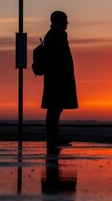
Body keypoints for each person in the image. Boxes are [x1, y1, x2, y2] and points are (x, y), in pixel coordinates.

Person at [41, 11, 78, 146]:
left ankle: (54, 136)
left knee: (55, 108)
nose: (67, 22)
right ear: (60, 20)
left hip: (56, 79)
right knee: (55, 109)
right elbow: (58, 59)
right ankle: (53, 137)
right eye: (66, 19)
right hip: (58, 79)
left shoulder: (54, 35)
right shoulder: (56, 36)